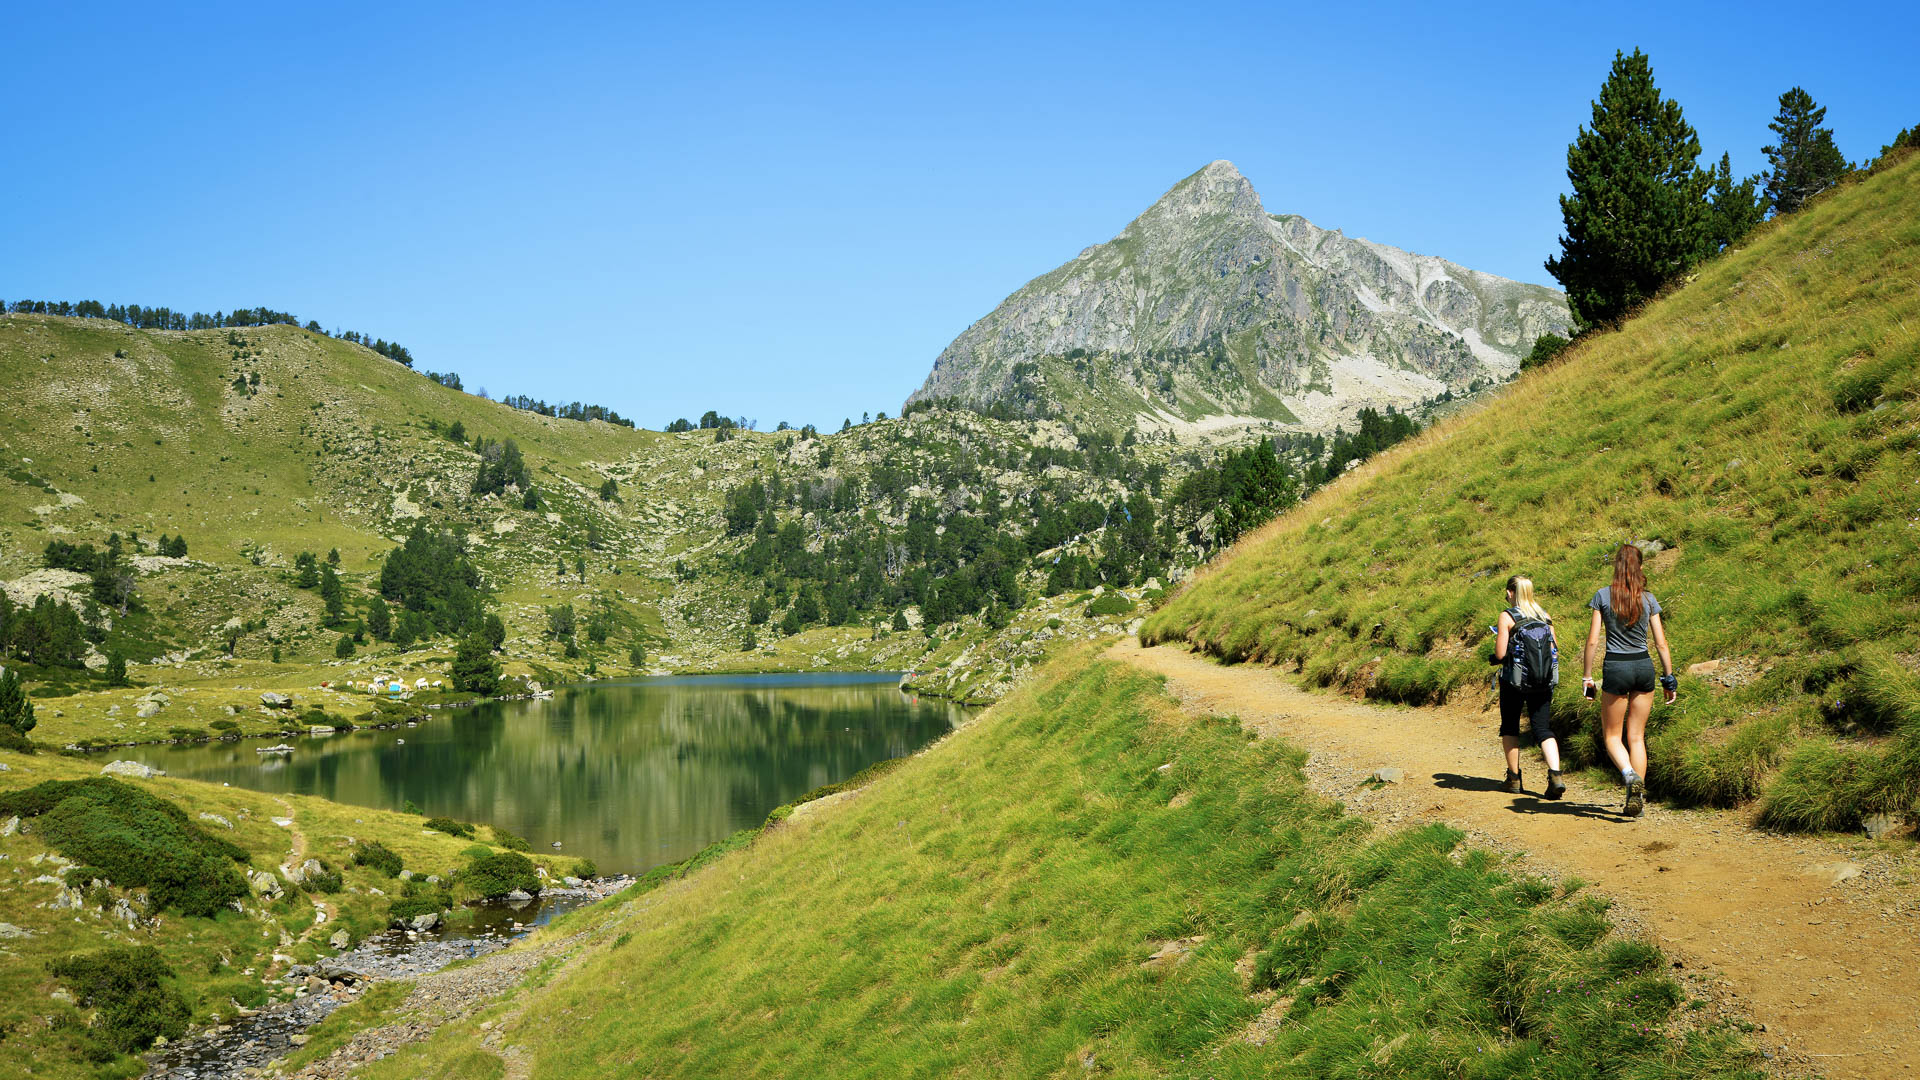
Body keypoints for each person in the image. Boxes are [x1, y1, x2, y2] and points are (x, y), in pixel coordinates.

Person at [1583, 544, 1678, 817]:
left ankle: (1628, 775)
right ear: (1640, 568)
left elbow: (1592, 640)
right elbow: (1661, 642)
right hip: (1644, 667)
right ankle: (1636, 799)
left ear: (1616, 566)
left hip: (1616, 667)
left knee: (1612, 736)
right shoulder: (1648, 599)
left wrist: (1588, 676)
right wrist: (1668, 678)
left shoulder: (1602, 596)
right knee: (1636, 737)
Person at [1490, 575, 1565, 798]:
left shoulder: (1507, 616)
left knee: (1510, 726)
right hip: (1543, 681)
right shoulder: (1544, 616)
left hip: (1514, 681)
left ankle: (1513, 779)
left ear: (1511, 593)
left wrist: (1495, 658)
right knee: (1542, 728)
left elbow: (1501, 654)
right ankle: (1556, 775)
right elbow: (1555, 649)